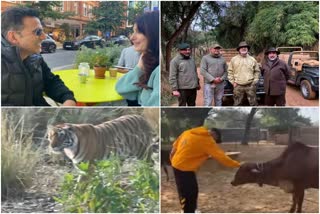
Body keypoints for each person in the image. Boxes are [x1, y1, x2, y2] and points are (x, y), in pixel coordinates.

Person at [1, 7, 76, 106]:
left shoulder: (35, 57)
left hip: (41, 116)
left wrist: (68, 98)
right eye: (38, 32)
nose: (44, 37)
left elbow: (50, 81)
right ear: (14, 37)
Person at [170, 126, 240, 213]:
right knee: (190, 192)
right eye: (215, 140)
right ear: (214, 135)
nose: (214, 142)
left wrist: (172, 161)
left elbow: (174, 148)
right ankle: (187, 211)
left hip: (176, 164)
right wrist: (237, 165)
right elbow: (221, 157)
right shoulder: (207, 141)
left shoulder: (188, 132)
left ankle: (189, 209)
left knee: (185, 190)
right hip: (185, 169)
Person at [115, 11, 159, 106]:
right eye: (133, 32)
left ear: (153, 34)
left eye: (138, 32)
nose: (132, 38)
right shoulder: (150, 66)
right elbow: (121, 89)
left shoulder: (158, 72)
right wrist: (140, 67)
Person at [228, 41, 260, 106]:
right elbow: (230, 71)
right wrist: (233, 82)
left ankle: (253, 115)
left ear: (247, 49)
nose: (243, 48)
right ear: (239, 50)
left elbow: (257, 71)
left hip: (250, 85)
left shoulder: (252, 59)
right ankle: (238, 116)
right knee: (237, 103)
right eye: (241, 47)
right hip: (238, 85)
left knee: (253, 103)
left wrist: (254, 81)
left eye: (245, 47)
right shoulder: (233, 59)